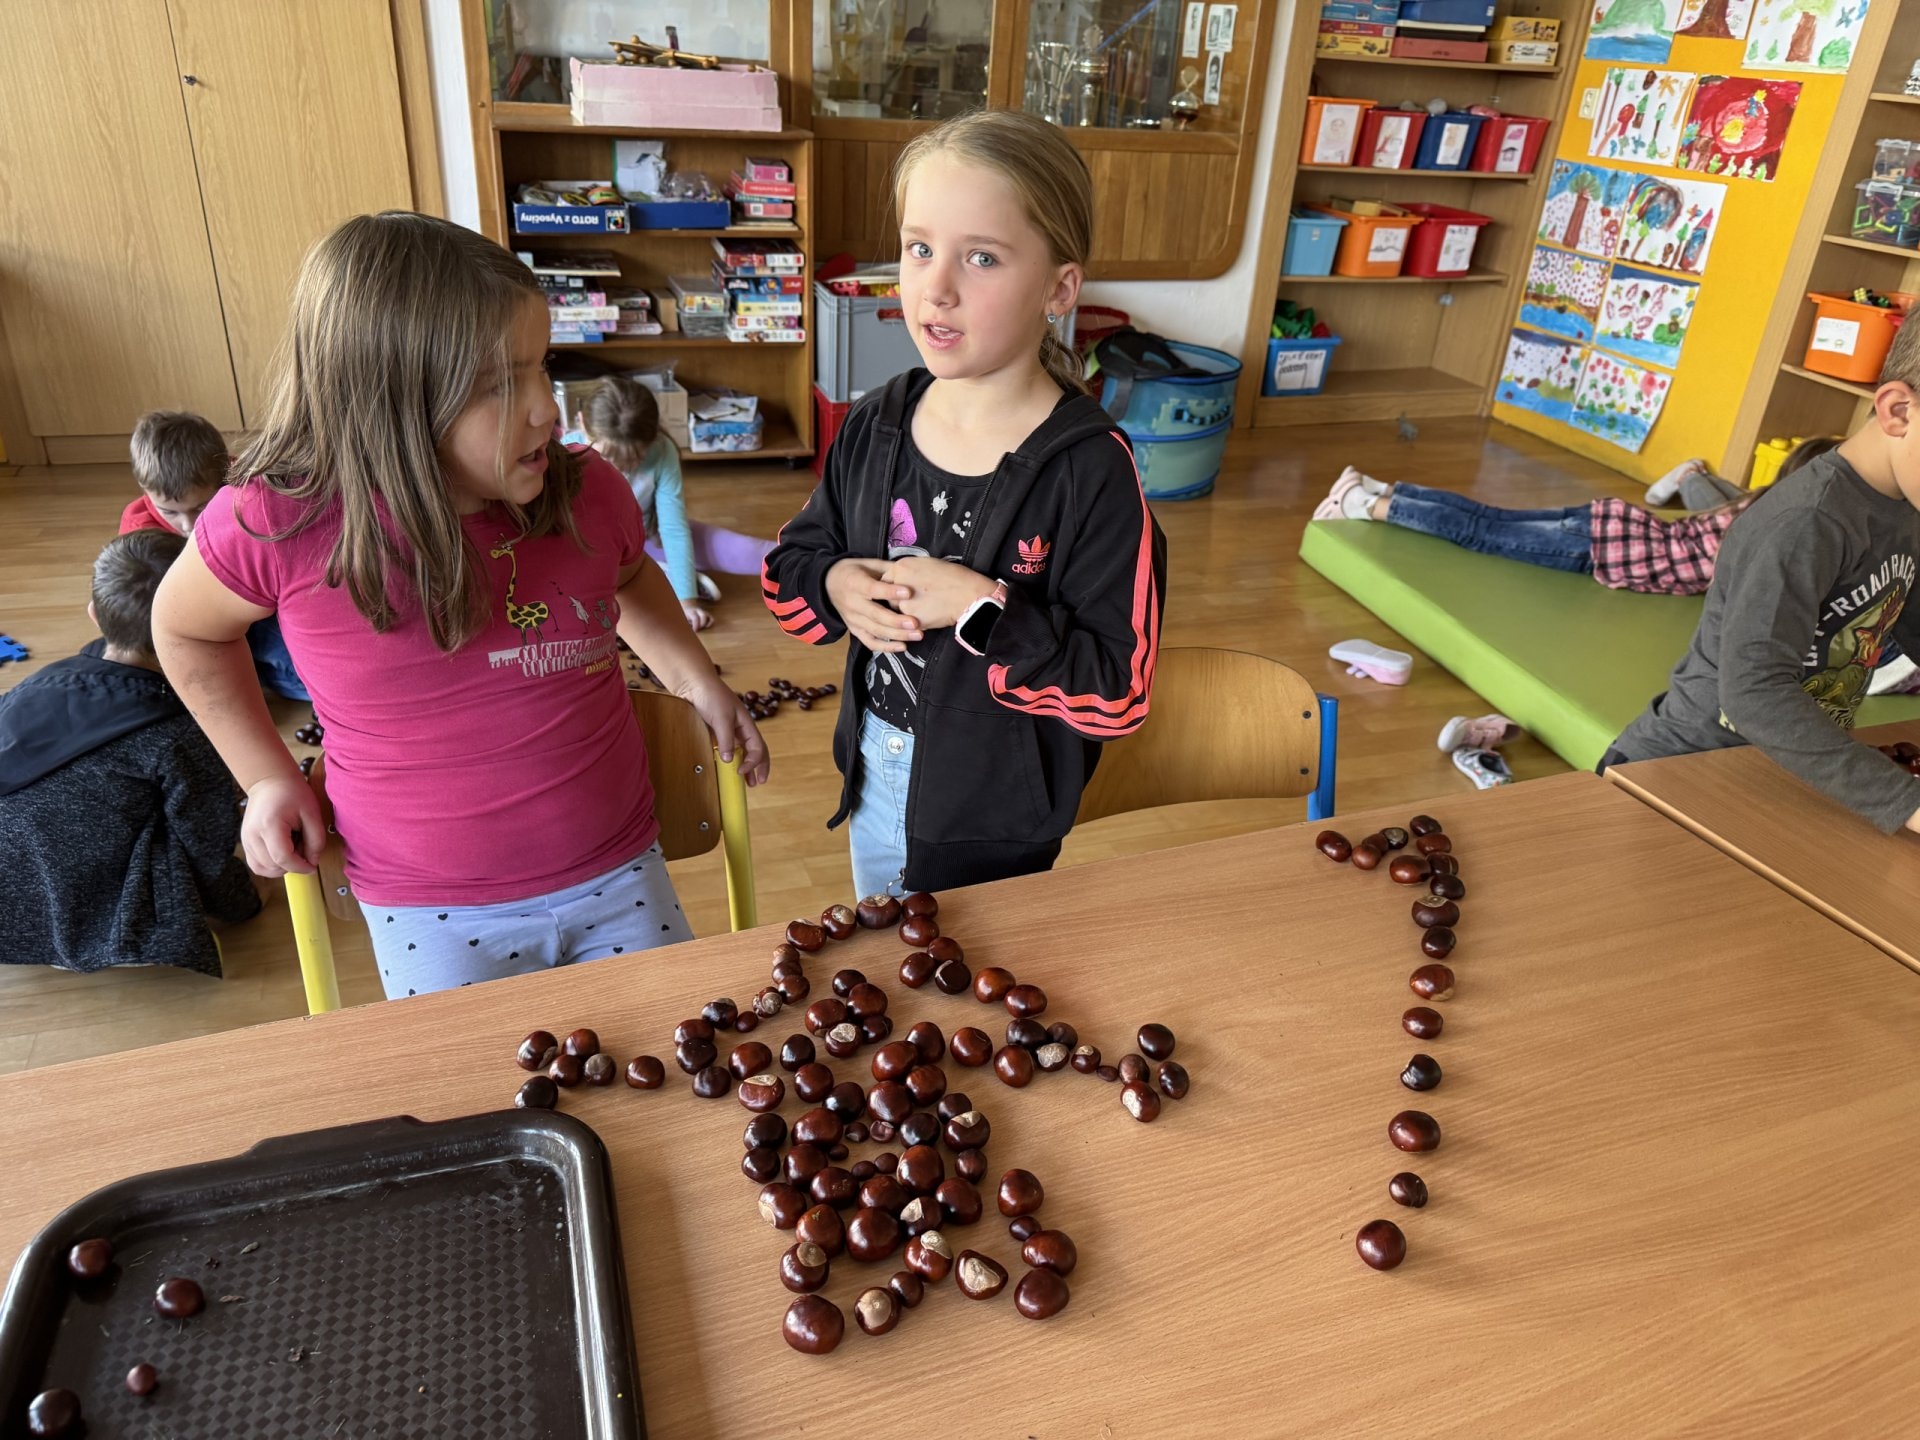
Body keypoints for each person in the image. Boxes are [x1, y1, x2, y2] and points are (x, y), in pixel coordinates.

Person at [151, 211, 767, 999]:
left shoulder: (588, 490)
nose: (547, 408)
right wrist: (266, 777)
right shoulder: (279, 521)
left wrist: (694, 679)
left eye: (542, 367)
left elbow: (632, 575)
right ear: (390, 402)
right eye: (501, 383)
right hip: (427, 908)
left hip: (619, 870)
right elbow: (186, 631)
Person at [761, 109, 1167, 899]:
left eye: (981, 257)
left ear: (1059, 288)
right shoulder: (874, 423)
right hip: (873, 776)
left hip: (999, 820)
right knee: (889, 954)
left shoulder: (1092, 472)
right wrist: (836, 584)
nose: (937, 288)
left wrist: (984, 610)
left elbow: (1117, 691)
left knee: (975, 971)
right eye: (919, 248)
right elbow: (790, 570)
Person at [1602, 322, 1920, 834]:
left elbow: (1911, 617)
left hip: (1779, 773)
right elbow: (1754, 692)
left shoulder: (1906, 502)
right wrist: (1906, 802)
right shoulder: (1807, 522)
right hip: (1678, 772)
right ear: (1899, 411)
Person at [0, 531, 260, 974]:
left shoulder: (40, 682)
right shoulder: (179, 736)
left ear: (94, 614)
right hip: (96, 929)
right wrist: (248, 901)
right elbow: (207, 849)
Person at [1313, 440, 1837, 597]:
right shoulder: (1775, 531)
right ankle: (1364, 505)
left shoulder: (1759, 500)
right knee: (1481, 534)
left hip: (1613, 520)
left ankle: (1381, 488)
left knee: (1491, 517)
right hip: (1600, 549)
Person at [120, 409, 309, 701]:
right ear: (144, 490)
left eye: (200, 507)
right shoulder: (139, 530)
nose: (187, 526)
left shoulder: (247, 487)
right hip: (198, 623)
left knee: (304, 666)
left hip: (251, 608)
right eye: (169, 512)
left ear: (225, 478)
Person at [579, 376, 775, 631]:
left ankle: (811, 556)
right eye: (607, 456)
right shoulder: (566, 455)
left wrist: (687, 603)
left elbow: (673, 528)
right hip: (593, 551)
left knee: (749, 550)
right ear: (582, 425)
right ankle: (671, 578)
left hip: (646, 538)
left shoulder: (662, 451)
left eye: (634, 459)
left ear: (652, 439)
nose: (619, 468)